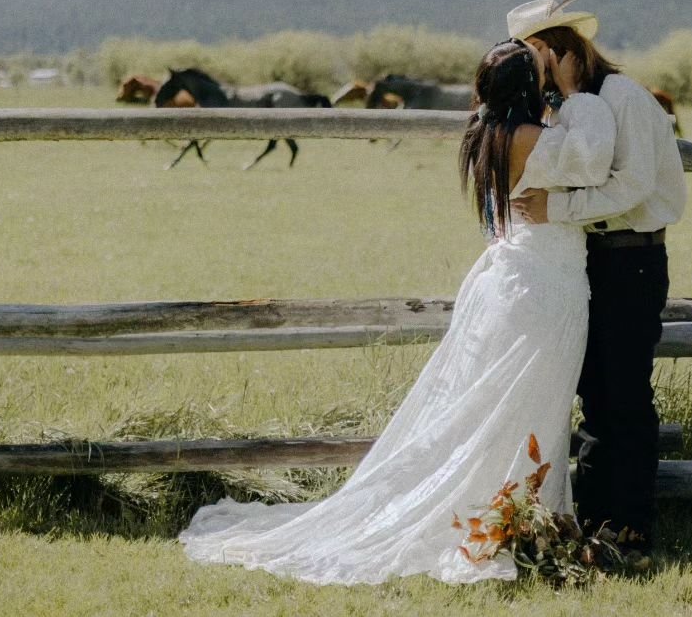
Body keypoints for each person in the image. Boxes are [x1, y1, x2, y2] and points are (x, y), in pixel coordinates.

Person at [180, 38, 617, 585]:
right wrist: (577, 93)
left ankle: (511, 516)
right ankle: (509, 519)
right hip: (543, 287)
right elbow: (597, 156)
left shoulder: (487, 134)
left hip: (518, 281)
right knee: (528, 406)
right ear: (530, 89)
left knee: (504, 407)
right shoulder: (535, 138)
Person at [508, 0, 686, 554]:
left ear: (552, 51)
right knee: (595, 389)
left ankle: (631, 523)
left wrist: (553, 210)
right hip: (595, 258)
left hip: (631, 259)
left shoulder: (623, 99)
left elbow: (631, 186)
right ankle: (597, 516)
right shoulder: (575, 106)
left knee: (624, 393)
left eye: (535, 59)